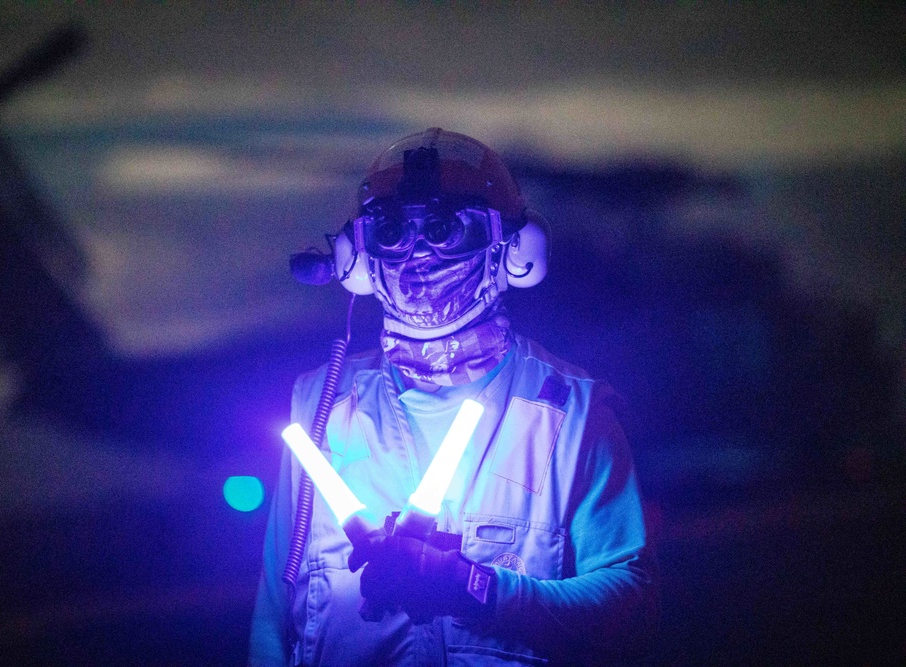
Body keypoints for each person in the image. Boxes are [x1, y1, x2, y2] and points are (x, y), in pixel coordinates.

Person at [250, 128, 658, 666]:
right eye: (393, 232)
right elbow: (273, 616)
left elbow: (628, 600)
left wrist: (474, 586)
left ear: (514, 251)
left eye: (449, 229)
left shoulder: (573, 412)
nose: (419, 255)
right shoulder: (320, 406)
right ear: (359, 259)